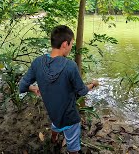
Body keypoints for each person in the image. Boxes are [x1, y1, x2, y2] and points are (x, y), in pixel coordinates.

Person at [19, 25, 99, 154]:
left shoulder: (37, 62)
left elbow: (22, 86)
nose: (71, 47)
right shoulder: (70, 66)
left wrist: (33, 89)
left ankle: (53, 140)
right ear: (64, 44)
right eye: (71, 44)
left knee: (56, 123)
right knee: (73, 147)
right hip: (69, 117)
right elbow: (82, 91)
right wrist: (93, 84)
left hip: (53, 112)